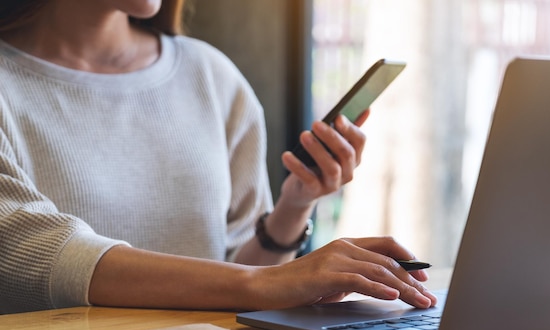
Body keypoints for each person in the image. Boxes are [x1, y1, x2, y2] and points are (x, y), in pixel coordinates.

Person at [0, 0, 437, 314]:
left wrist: (293, 206)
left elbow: (232, 282)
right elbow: (44, 256)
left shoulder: (210, 75)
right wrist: (271, 283)